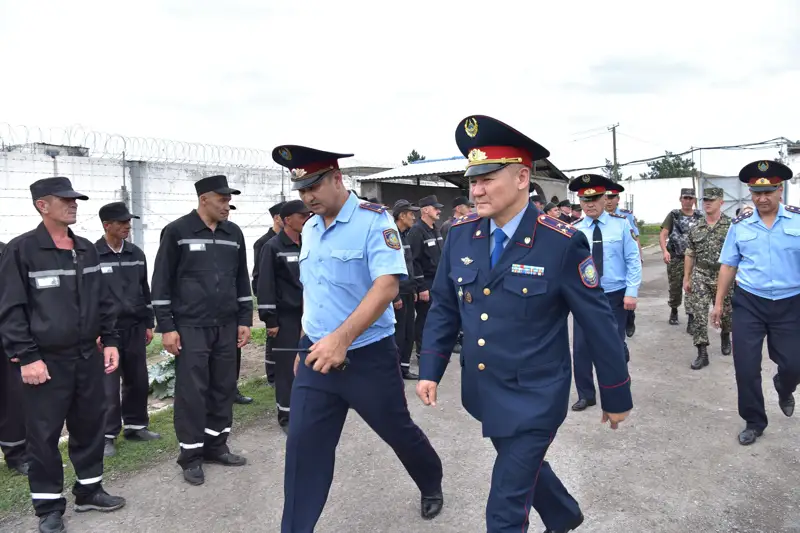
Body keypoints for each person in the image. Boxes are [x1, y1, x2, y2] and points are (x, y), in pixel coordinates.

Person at [416, 115, 632, 533]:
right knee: (524, 468)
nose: (475, 190)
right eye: (472, 180)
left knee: (504, 508)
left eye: (487, 178)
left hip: (536, 395)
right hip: (484, 390)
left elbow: (598, 322)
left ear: (521, 177)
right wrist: (431, 368)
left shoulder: (562, 241)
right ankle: (565, 515)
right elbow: (445, 306)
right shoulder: (460, 234)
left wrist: (615, 393)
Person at [271, 144, 444, 532]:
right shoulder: (312, 228)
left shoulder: (374, 220)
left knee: (397, 432)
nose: (307, 198)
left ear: (336, 179)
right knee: (303, 450)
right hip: (316, 355)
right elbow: (314, 292)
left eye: (313, 187)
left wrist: (341, 340)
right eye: (301, 191)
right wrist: (306, 341)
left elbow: (386, 287)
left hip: (366, 357)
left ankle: (431, 481)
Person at [0, 177, 126, 533]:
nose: (74, 204)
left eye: (75, 199)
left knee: (89, 426)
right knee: (43, 436)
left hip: (87, 357)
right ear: (43, 205)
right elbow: (11, 309)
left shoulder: (86, 249)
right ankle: (48, 507)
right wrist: (27, 357)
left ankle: (89, 491)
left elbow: (103, 301)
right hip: (46, 362)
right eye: (65, 200)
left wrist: (112, 339)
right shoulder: (22, 250)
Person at [151, 174, 253, 485]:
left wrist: (245, 319)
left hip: (226, 325)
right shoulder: (177, 231)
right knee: (192, 392)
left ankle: (216, 446)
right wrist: (167, 327)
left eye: (229, 200)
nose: (227, 205)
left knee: (223, 386)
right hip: (191, 327)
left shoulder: (233, 233)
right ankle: (191, 456)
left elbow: (241, 280)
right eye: (222, 199)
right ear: (203, 199)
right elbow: (162, 282)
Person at [712, 160, 800, 446]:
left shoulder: (798, 220)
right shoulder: (740, 225)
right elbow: (728, 265)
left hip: (790, 303)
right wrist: (718, 303)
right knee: (746, 366)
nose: (762, 198)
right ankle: (754, 421)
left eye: (769, 192)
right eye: (756, 193)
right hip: (749, 301)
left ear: (780, 190)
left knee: (794, 364)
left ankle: (784, 386)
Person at [95, 202, 161, 458]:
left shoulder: (136, 253)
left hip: (134, 327)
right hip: (106, 331)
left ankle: (136, 426)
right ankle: (107, 434)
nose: (127, 226)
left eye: (128, 222)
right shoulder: (92, 254)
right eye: (121, 222)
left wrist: (148, 321)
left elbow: (145, 289)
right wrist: (95, 330)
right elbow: (86, 296)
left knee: (137, 379)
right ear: (106, 225)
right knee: (107, 386)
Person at [569, 175, 641, 411]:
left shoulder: (621, 225)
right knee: (581, 348)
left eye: (595, 199)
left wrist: (631, 292)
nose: (590, 204)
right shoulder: (574, 231)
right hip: (584, 297)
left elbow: (633, 261)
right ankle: (586, 394)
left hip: (614, 295)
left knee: (613, 344)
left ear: (604, 198)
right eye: (584, 199)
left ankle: (619, 388)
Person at [256, 199, 310, 433]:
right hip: (286, 317)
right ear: (288, 219)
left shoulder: (308, 243)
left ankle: (306, 409)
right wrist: (270, 319)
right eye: (302, 216)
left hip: (309, 314)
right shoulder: (273, 246)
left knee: (308, 362)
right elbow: (265, 284)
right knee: (287, 368)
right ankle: (286, 415)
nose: (307, 219)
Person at [684, 187, 733, 370]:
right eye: (705, 200)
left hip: (724, 274)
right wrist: (687, 278)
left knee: (726, 312)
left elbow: (740, 252)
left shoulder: (732, 225)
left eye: (712, 200)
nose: (707, 203)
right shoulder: (696, 227)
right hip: (701, 274)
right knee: (699, 313)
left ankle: (725, 334)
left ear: (721, 202)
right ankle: (702, 352)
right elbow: (690, 253)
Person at [0, 240, 30, 477]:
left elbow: (14, 300)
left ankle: (16, 453)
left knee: (11, 400)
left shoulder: (6, 251)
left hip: (4, 339)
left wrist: (16, 342)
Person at [252, 201, 285, 390]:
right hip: (272, 299)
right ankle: (272, 376)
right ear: (277, 218)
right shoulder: (264, 242)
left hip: (288, 299)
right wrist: (264, 301)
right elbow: (259, 275)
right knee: (272, 337)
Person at [659, 189, 703, 328]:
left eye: (691, 198)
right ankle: (674, 310)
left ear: (694, 200)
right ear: (680, 199)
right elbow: (663, 234)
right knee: (675, 287)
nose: (688, 201)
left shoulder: (700, 216)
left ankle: (691, 317)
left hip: (694, 259)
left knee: (692, 287)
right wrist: (665, 251)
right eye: (685, 198)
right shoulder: (674, 215)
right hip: (676, 258)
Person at [605, 184, 643, 338]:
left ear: (618, 199)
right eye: (606, 197)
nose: (608, 201)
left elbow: (635, 239)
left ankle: (629, 318)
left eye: (612, 197)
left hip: (625, 260)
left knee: (627, 294)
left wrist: (639, 258)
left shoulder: (625, 217)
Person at [407, 194, 443, 353]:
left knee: (435, 319)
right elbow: (414, 261)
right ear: (426, 210)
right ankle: (423, 353)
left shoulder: (435, 229)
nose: (439, 211)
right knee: (424, 320)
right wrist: (421, 287)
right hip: (426, 283)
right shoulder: (417, 231)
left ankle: (433, 350)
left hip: (437, 281)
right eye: (436, 208)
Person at [392, 199, 423, 379]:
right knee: (399, 333)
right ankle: (395, 369)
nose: (413, 216)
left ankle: (404, 368)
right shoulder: (391, 236)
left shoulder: (405, 235)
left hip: (408, 291)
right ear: (402, 215)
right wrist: (395, 296)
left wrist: (414, 288)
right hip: (397, 293)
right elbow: (390, 270)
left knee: (408, 333)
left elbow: (410, 265)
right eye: (411, 213)